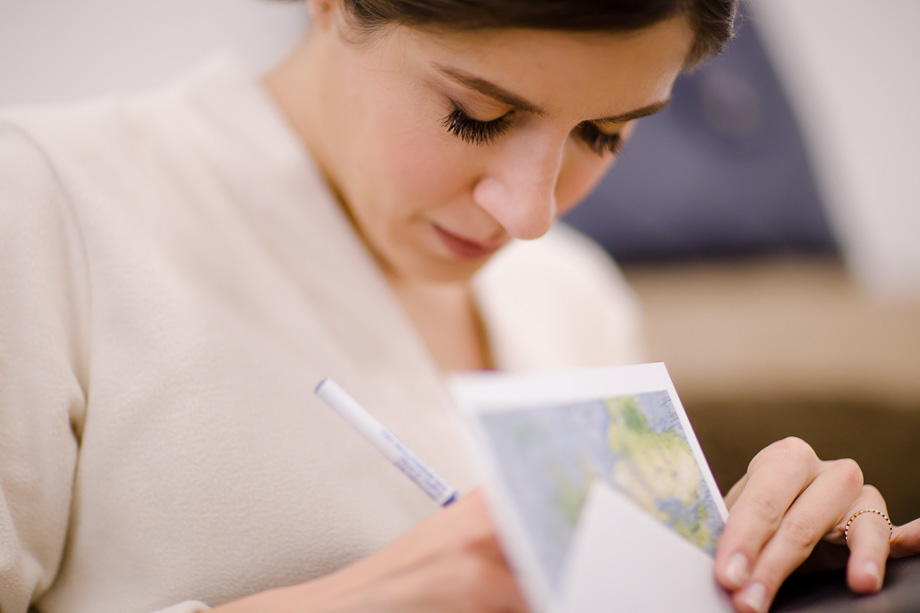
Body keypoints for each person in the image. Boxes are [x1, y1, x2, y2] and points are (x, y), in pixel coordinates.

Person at [1, 1, 917, 612]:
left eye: (604, 133)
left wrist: (773, 573)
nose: (529, 214)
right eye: (477, 115)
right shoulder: (44, 205)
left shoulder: (575, 295)